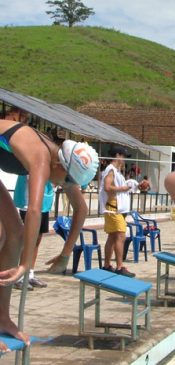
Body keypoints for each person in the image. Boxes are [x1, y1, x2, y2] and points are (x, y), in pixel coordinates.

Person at [0, 107, 99, 353]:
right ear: (61, 166)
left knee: (16, 233)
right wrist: (25, 264)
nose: (65, 186)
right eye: (67, 181)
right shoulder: (43, 158)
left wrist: (66, 254)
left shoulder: (62, 163)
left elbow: (81, 209)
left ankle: (1, 317)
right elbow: (34, 211)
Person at [99, 146, 135, 277]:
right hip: (113, 208)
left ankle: (107, 265)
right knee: (120, 235)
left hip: (115, 207)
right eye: (124, 156)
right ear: (118, 155)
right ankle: (120, 266)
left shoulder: (116, 171)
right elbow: (108, 187)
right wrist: (123, 188)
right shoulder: (110, 170)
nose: (124, 159)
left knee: (113, 236)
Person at [13, 175, 54, 289]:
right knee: (27, 242)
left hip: (43, 207)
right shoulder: (29, 165)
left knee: (37, 241)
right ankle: (19, 276)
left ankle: (30, 274)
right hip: (28, 207)